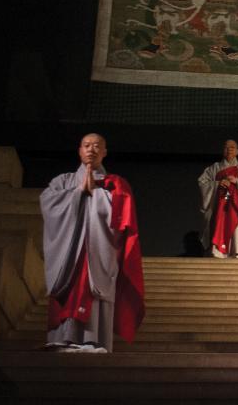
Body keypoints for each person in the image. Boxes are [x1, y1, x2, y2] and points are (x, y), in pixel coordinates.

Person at [39, 133, 145, 353]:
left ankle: (93, 340)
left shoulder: (116, 184)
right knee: (70, 283)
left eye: (97, 146)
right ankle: (64, 338)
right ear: (79, 150)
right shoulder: (63, 181)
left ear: (104, 152)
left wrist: (97, 194)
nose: (91, 150)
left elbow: (122, 219)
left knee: (93, 287)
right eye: (87, 145)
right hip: (68, 252)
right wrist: (78, 193)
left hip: (100, 248)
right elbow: (48, 204)